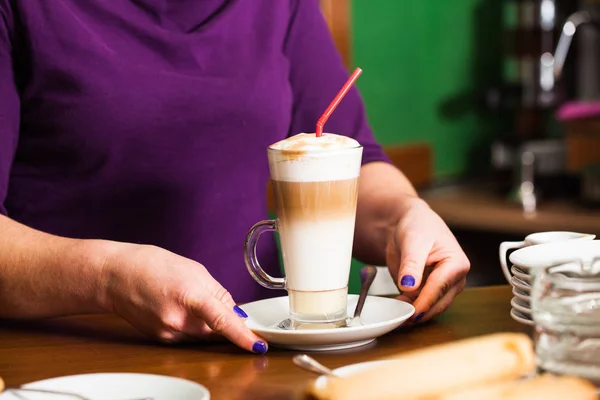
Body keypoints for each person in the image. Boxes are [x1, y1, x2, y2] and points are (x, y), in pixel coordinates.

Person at [0, 0, 470, 354]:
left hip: (256, 355)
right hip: (69, 357)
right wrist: (106, 280)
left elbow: (353, 160)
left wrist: (406, 218)